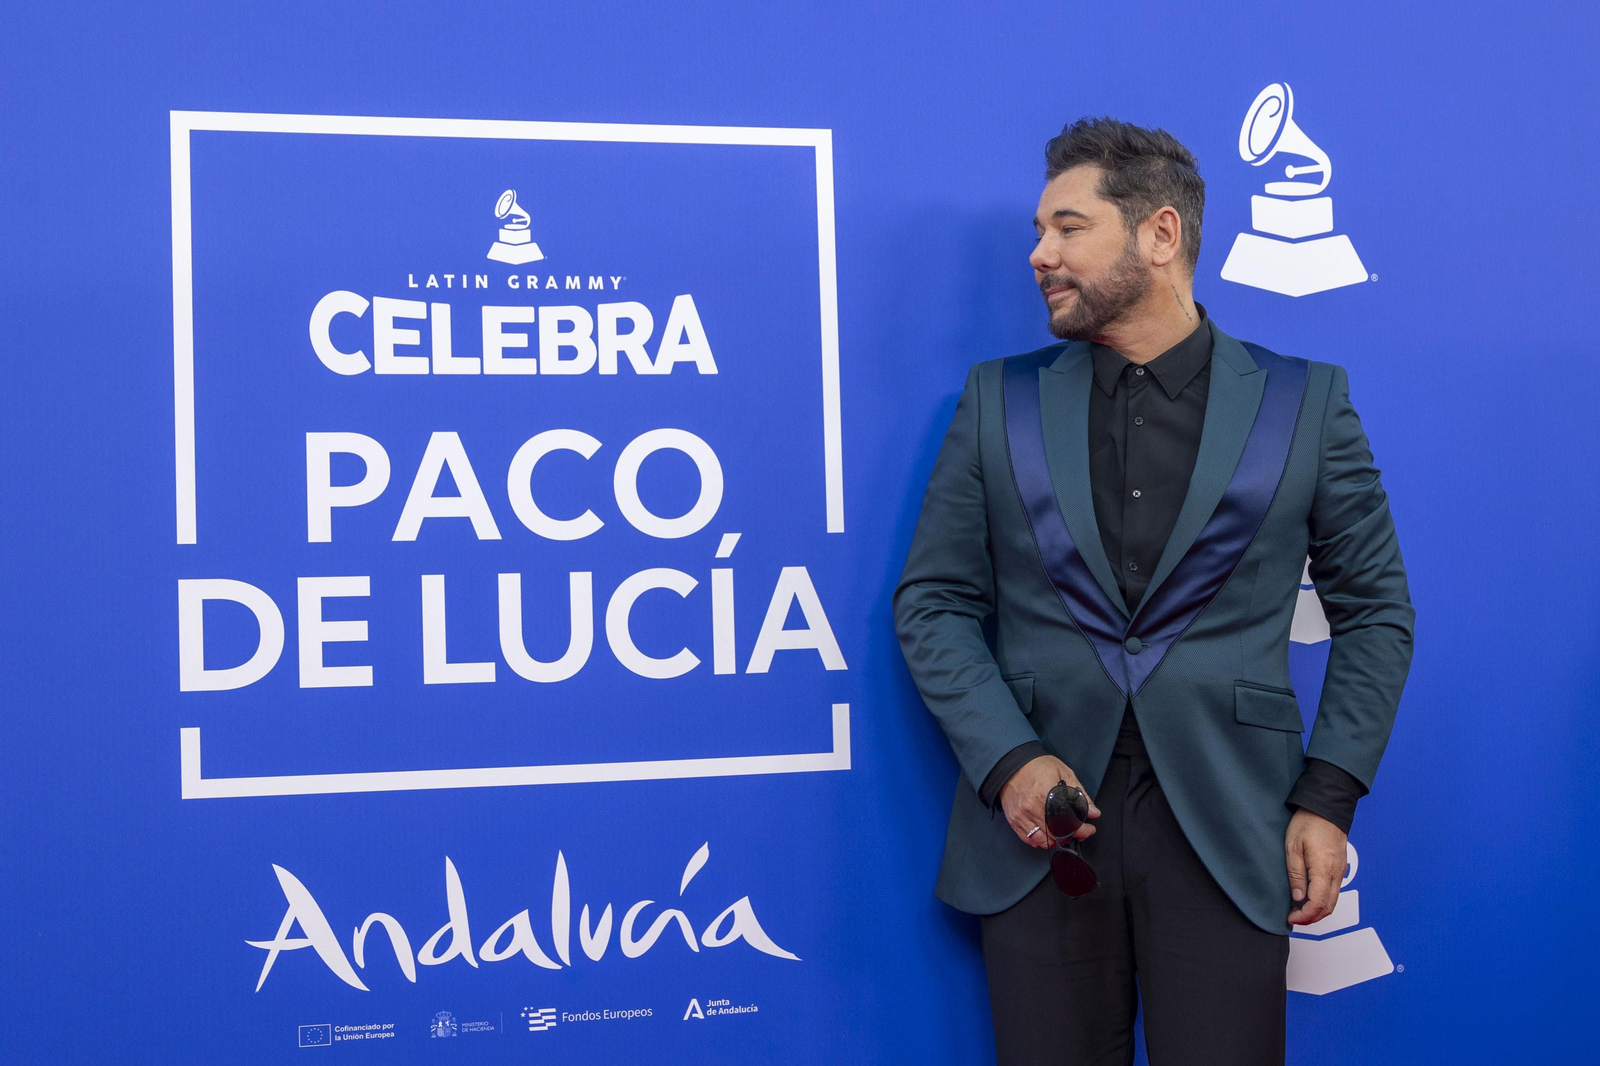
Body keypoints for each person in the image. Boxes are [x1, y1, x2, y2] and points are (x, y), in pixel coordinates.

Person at [892, 118, 1413, 1066]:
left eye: (1068, 227)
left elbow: (1376, 610)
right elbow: (932, 602)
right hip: (1039, 831)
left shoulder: (1307, 403)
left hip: (1233, 824)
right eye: (1040, 231)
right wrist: (1010, 761)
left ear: (1160, 235)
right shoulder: (995, 401)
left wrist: (1328, 798)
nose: (1039, 255)